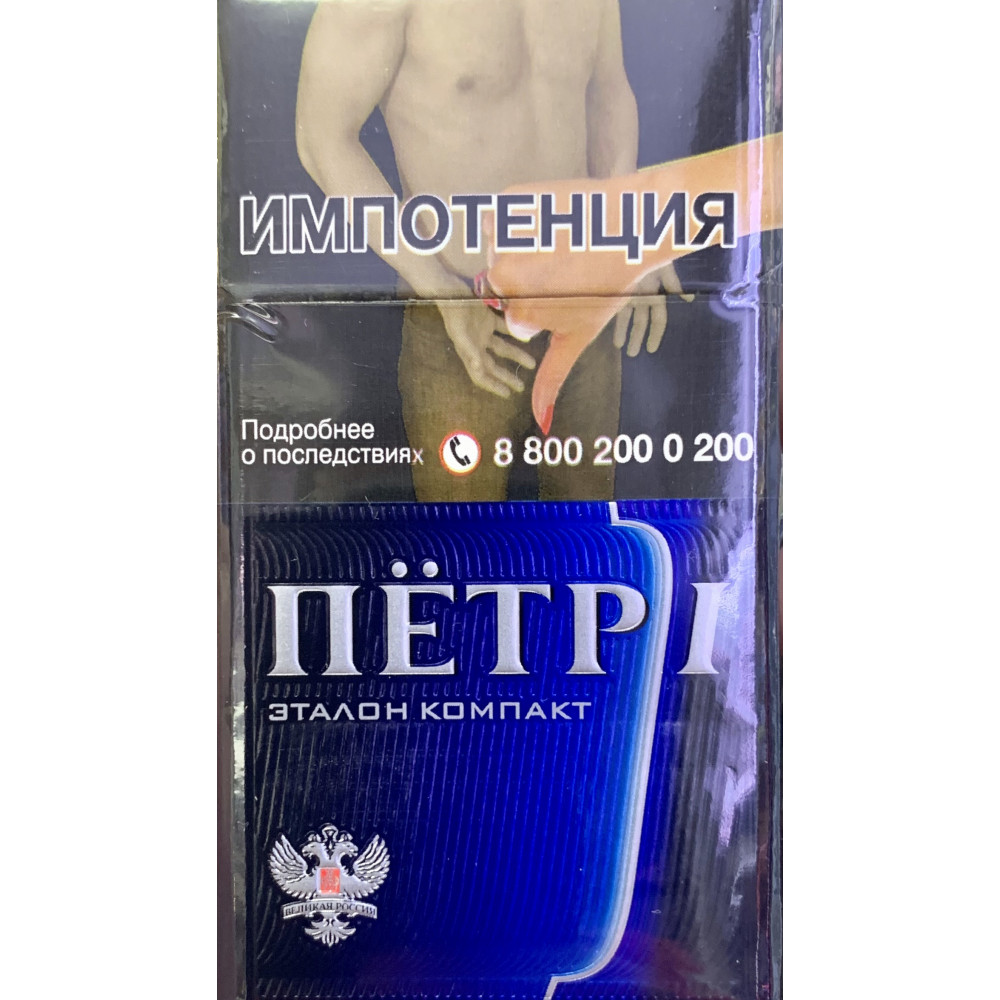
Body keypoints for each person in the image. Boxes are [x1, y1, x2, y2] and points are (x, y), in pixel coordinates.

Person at [296, 0, 684, 501]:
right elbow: (321, 137)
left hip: (584, 308)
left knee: (587, 535)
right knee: (462, 539)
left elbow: (606, 92)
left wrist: (631, 236)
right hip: (462, 321)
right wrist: (440, 290)